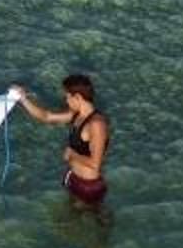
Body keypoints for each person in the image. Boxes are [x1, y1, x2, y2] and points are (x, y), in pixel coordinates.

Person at [13, 73, 110, 207]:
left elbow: (95, 164)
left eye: (68, 97)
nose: (66, 101)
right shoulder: (76, 115)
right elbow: (47, 117)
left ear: (78, 97)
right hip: (73, 178)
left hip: (89, 187)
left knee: (93, 217)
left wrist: (72, 154)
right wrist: (23, 99)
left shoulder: (96, 124)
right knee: (69, 216)